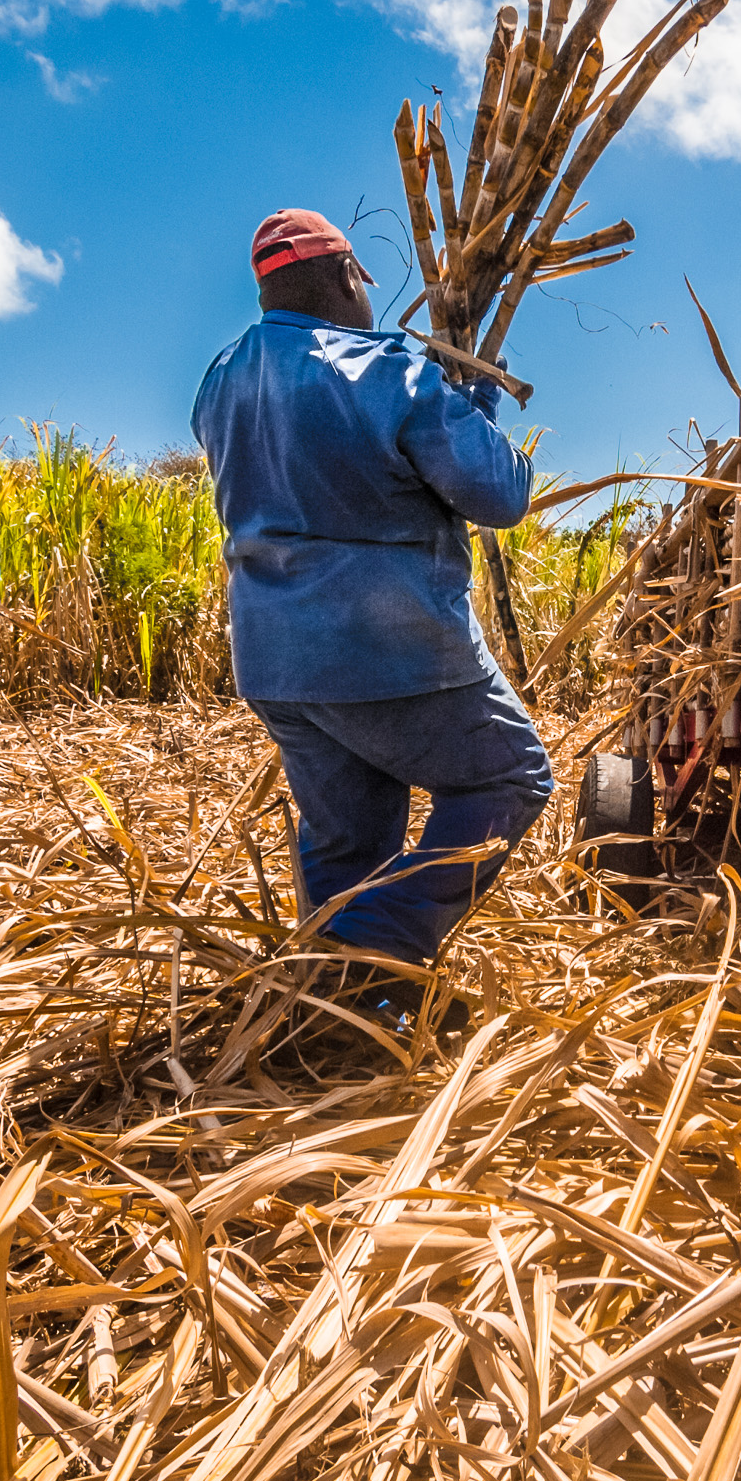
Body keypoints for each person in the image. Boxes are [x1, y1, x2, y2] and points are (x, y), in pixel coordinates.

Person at [192, 209, 553, 1014]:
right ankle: (367, 946)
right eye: (363, 283)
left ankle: (344, 1003)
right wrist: (476, 406)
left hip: (275, 656)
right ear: (346, 275)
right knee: (508, 777)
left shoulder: (220, 379)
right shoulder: (393, 374)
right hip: (392, 648)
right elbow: (496, 498)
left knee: (346, 837)